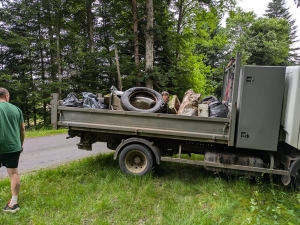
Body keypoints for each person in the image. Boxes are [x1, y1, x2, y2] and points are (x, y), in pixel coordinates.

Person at [0, 88, 25, 213]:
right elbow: (22, 129)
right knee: (13, 173)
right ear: (6, 96)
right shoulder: (16, 109)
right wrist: (20, 144)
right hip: (13, 146)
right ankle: (14, 203)